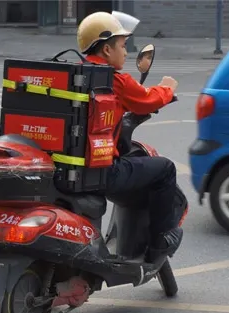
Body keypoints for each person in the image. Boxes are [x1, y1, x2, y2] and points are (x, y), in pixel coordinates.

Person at [77, 11, 182, 265]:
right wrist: (168, 88)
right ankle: (161, 240)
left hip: (70, 169)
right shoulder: (115, 80)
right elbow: (147, 100)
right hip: (103, 173)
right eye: (122, 46)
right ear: (105, 50)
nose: (125, 53)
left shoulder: (75, 73)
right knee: (165, 169)